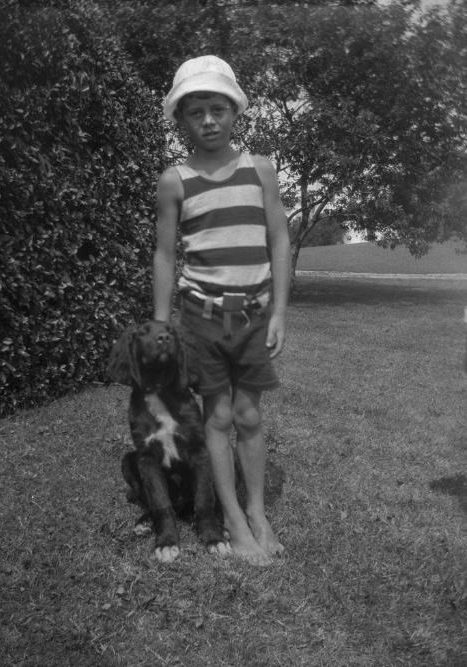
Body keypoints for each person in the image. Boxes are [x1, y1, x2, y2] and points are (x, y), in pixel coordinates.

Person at [153, 55, 291, 566]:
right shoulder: (176, 181)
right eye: (196, 112)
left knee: (250, 415)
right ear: (181, 120)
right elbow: (166, 255)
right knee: (219, 415)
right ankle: (231, 516)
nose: (208, 120)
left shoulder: (261, 171)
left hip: (254, 314)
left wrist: (279, 311)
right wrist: (163, 324)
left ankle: (256, 511)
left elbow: (278, 238)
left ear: (235, 112)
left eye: (217, 108)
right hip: (200, 318)